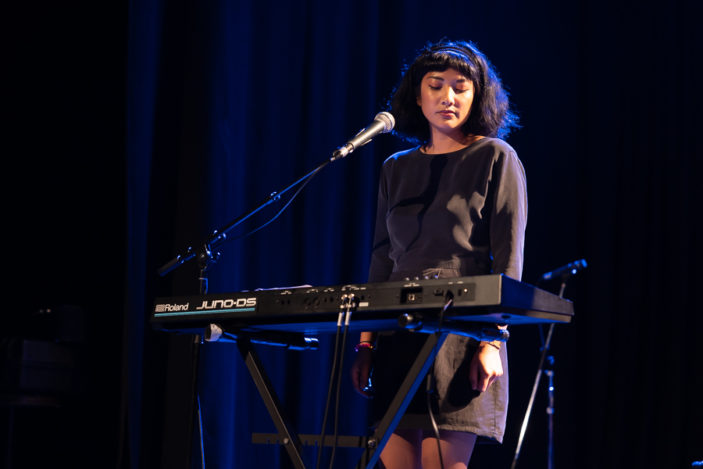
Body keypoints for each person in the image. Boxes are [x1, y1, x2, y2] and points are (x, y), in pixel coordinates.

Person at [350, 39, 527, 469]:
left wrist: (492, 340)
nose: (448, 97)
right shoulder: (395, 167)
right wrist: (366, 342)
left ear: (477, 96)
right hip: (397, 330)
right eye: (436, 85)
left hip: (463, 332)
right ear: (418, 95)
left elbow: (508, 260)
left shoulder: (495, 157)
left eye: (460, 87)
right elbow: (381, 260)